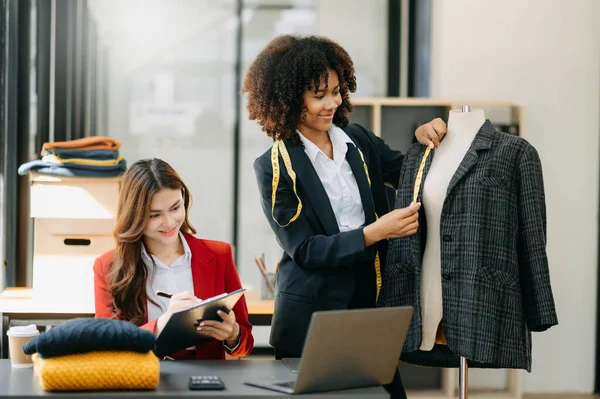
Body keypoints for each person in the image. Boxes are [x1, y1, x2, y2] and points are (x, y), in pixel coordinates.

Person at [243, 35, 446, 398]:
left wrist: (421, 137)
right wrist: (374, 234)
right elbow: (305, 249)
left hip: (369, 307)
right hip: (310, 318)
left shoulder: (359, 141)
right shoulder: (274, 166)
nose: (332, 103)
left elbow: (409, 173)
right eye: (319, 95)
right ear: (289, 101)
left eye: (336, 91)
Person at [94, 158, 254, 360]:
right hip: (142, 380)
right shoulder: (107, 267)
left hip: (205, 383)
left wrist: (233, 335)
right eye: (154, 215)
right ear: (134, 215)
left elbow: (245, 345)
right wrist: (163, 323)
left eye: (175, 208)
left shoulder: (220, 255)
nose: (169, 222)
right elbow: (105, 347)